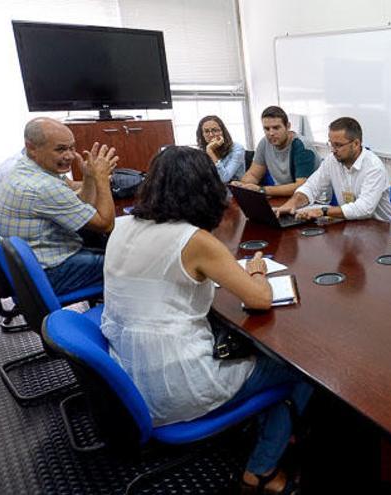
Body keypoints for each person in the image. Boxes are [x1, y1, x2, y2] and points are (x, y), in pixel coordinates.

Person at [101, 146, 312, 494]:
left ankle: (266, 420)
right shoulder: (194, 240)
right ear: (205, 189)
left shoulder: (121, 226)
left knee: (251, 344)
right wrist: (257, 272)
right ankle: (262, 468)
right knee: (300, 369)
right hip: (179, 384)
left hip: (128, 376)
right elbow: (260, 299)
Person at [0, 118, 117, 294]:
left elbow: (78, 207)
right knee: (123, 262)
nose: (70, 156)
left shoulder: (19, 165)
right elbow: (105, 224)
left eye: (72, 147)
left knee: (100, 242)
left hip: (19, 268)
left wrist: (88, 177)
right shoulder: (43, 186)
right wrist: (101, 178)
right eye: (61, 149)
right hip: (47, 272)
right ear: (32, 147)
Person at [275, 117, 391, 223]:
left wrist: (323, 211)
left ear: (356, 144)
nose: (333, 150)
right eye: (331, 144)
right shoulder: (332, 160)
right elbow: (311, 186)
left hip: (382, 228)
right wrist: (292, 204)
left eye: (338, 145)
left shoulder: (374, 167)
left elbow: (364, 209)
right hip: (353, 225)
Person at [232, 106, 318, 197]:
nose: (271, 133)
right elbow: (253, 175)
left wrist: (262, 190)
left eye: (276, 128)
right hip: (282, 197)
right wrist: (242, 186)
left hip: (310, 199)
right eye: (267, 129)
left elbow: (301, 187)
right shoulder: (264, 143)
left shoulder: (302, 147)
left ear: (288, 126)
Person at [196, 115, 246, 183]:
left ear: (223, 132)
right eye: (207, 131)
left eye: (215, 130)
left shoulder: (237, 149)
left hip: (231, 190)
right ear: (202, 134)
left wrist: (210, 151)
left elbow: (224, 178)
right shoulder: (201, 151)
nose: (211, 135)